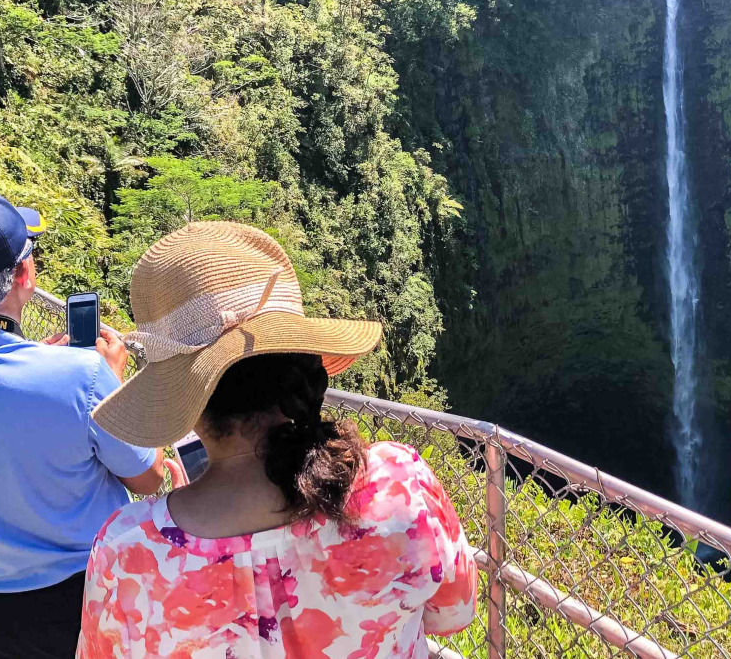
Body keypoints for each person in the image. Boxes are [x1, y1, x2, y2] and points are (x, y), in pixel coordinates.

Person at [77, 222, 478, 658]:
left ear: (184, 401)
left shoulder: (129, 554)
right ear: (302, 368)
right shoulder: (398, 485)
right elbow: (452, 615)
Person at [0, 187, 165, 659]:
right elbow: (149, 477)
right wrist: (115, 385)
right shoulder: (81, 377)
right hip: (84, 597)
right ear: (24, 274)